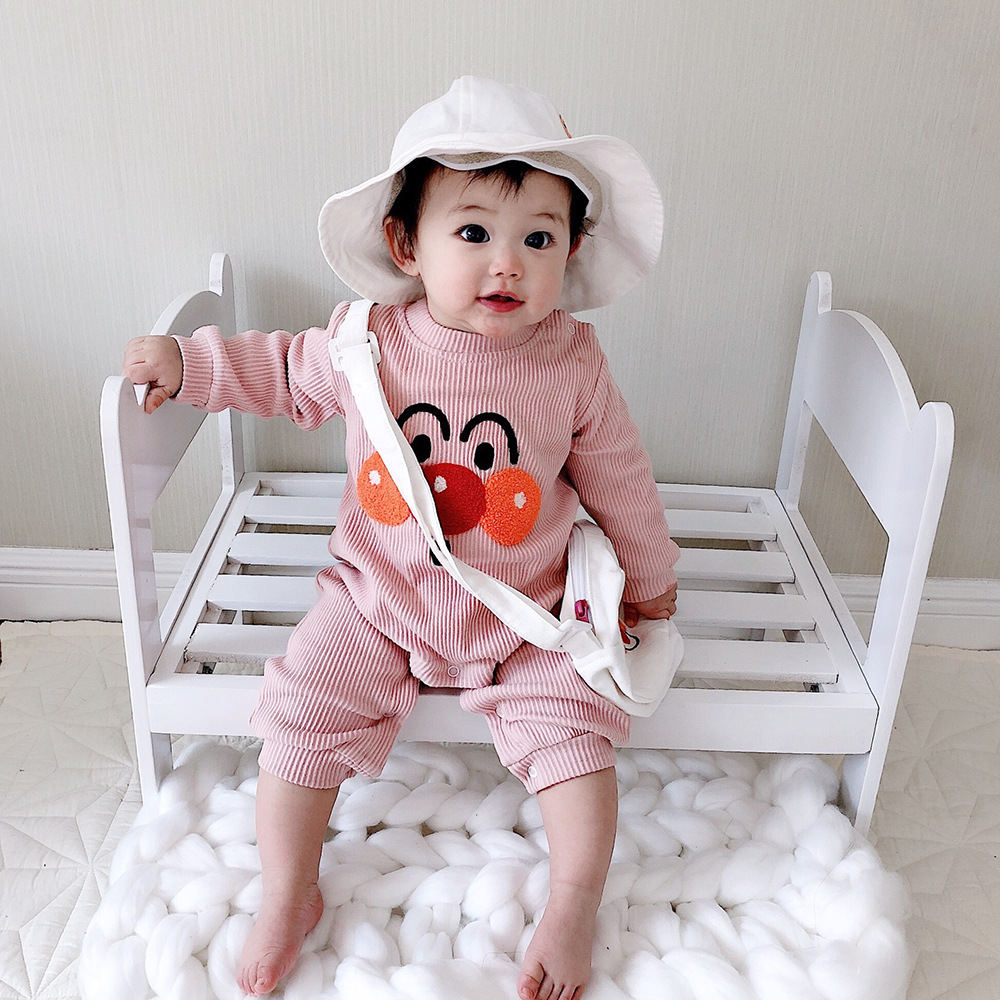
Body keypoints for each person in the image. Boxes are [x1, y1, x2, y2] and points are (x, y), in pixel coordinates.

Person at [122, 76, 680, 1000]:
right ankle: (289, 890)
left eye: (538, 239)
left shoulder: (573, 362)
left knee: (578, 736)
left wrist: (650, 583)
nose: (507, 265)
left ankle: (574, 901)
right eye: (474, 233)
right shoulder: (365, 344)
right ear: (406, 244)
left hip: (525, 612)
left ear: (572, 251)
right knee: (300, 711)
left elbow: (620, 477)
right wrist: (192, 365)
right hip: (379, 599)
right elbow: (278, 371)